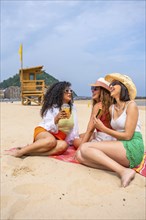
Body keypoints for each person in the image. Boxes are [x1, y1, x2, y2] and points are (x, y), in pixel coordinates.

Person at [75, 73, 144, 187]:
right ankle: (121, 167)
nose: (110, 86)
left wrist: (103, 129)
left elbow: (128, 136)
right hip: (120, 144)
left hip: (132, 145)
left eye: (114, 85)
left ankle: (123, 171)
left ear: (123, 87)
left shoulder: (131, 105)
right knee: (80, 157)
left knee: (84, 147)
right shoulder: (112, 108)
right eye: (110, 85)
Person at [5, 81, 79, 157]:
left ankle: (27, 152)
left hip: (59, 136)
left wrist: (73, 140)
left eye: (71, 91)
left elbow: (74, 128)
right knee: (51, 141)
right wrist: (56, 119)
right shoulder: (51, 107)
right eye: (66, 91)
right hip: (44, 131)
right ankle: (20, 152)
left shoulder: (73, 108)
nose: (69, 93)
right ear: (59, 93)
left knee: (63, 145)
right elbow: (47, 126)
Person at [73, 77, 116, 148]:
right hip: (113, 138)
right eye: (92, 88)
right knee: (80, 135)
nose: (92, 91)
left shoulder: (98, 106)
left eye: (95, 89)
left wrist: (80, 149)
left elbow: (90, 130)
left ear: (103, 91)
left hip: (104, 139)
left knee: (76, 141)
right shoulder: (112, 105)